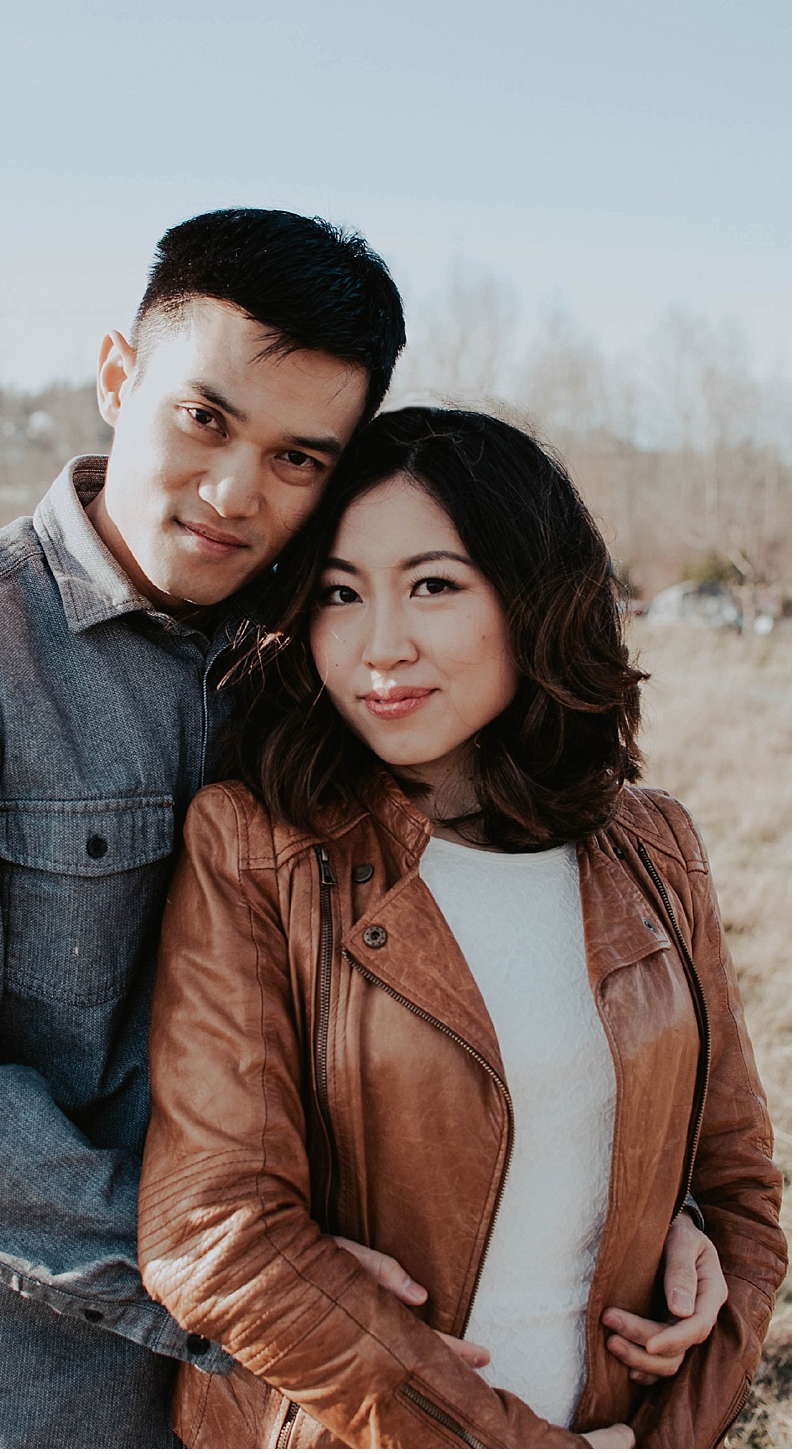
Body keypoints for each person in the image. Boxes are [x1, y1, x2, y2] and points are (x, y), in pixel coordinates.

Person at [0, 210, 726, 1447]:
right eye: (204, 419)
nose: (236, 491)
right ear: (117, 376)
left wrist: (616, 1200)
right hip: (32, 1376)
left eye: (299, 458)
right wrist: (238, 1284)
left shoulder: (314, 650)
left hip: (314, 1387)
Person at [138, 408, 783, 1448]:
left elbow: (740, 1182)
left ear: (529, 598)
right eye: (339, 593)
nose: (378, 645)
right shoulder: (256, 850)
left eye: (431, 584)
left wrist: (696, 1266)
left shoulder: (653, 847)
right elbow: (212, 1233)